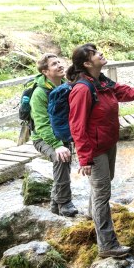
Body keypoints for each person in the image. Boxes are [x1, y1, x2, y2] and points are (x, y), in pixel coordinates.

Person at [67, 43, 134, 258]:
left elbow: (128, 93)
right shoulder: (82, 89)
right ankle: (107, 245)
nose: (101, 53)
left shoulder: (102, 82)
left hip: (108, 143)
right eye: (96, 53)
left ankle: (92, 216)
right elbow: (77, 126)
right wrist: (85, 158)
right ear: (87, 63)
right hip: (95, 149)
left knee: (104, 185)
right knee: (102, 194)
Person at [30, 53, 78, 217]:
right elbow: (42, 125)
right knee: (61, 158)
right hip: (42, 138)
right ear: (45, 71)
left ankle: (54, 206)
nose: (59, 65)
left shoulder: (66, 85)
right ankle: (64, 203)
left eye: (59, 62)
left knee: (63, 161)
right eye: (54, 64)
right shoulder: (39, 94)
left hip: (62, 134)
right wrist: (57, 145)